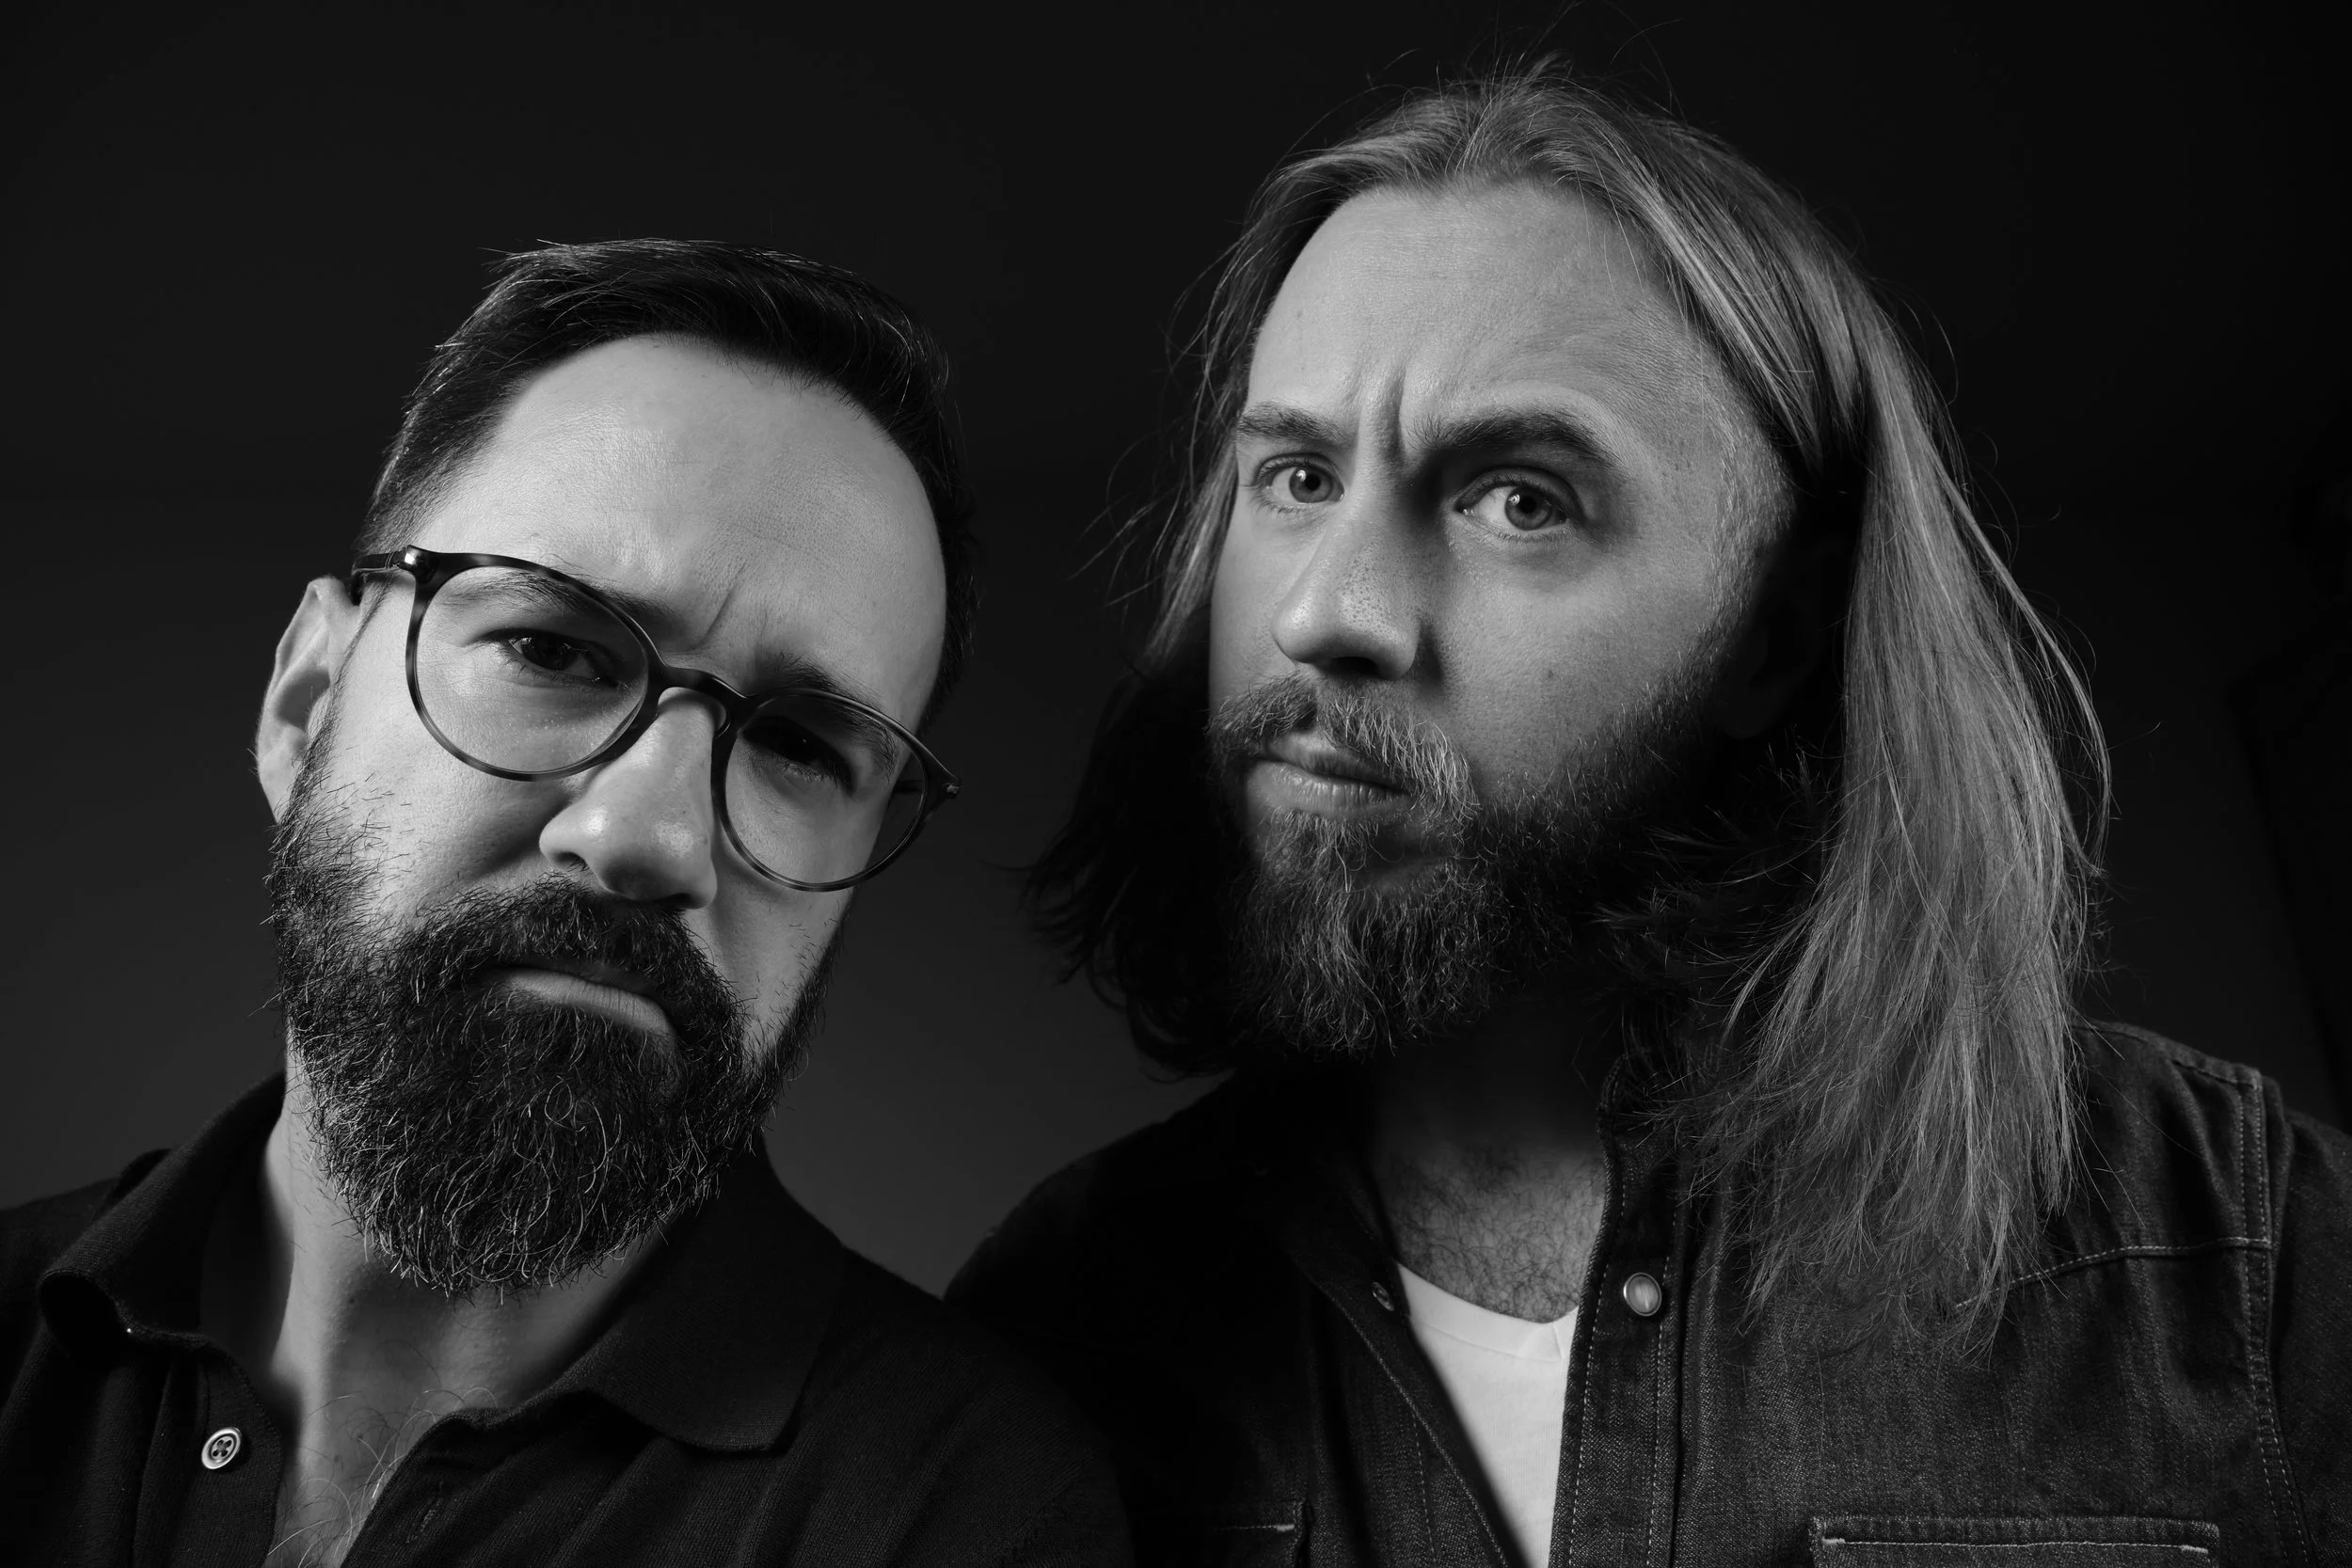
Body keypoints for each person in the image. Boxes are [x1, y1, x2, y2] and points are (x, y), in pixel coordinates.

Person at [948, 65, 2352, 1566]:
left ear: (1775, 640)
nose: (1326, 612)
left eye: (1521, 500)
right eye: (1296, 476)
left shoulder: (2246, 1246)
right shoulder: (1055, 1330)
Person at [0, 240, 1128, 1566]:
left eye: (798, 746)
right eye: (551, 649)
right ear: (307, 703)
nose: (651, 837)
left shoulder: (963, 1517)